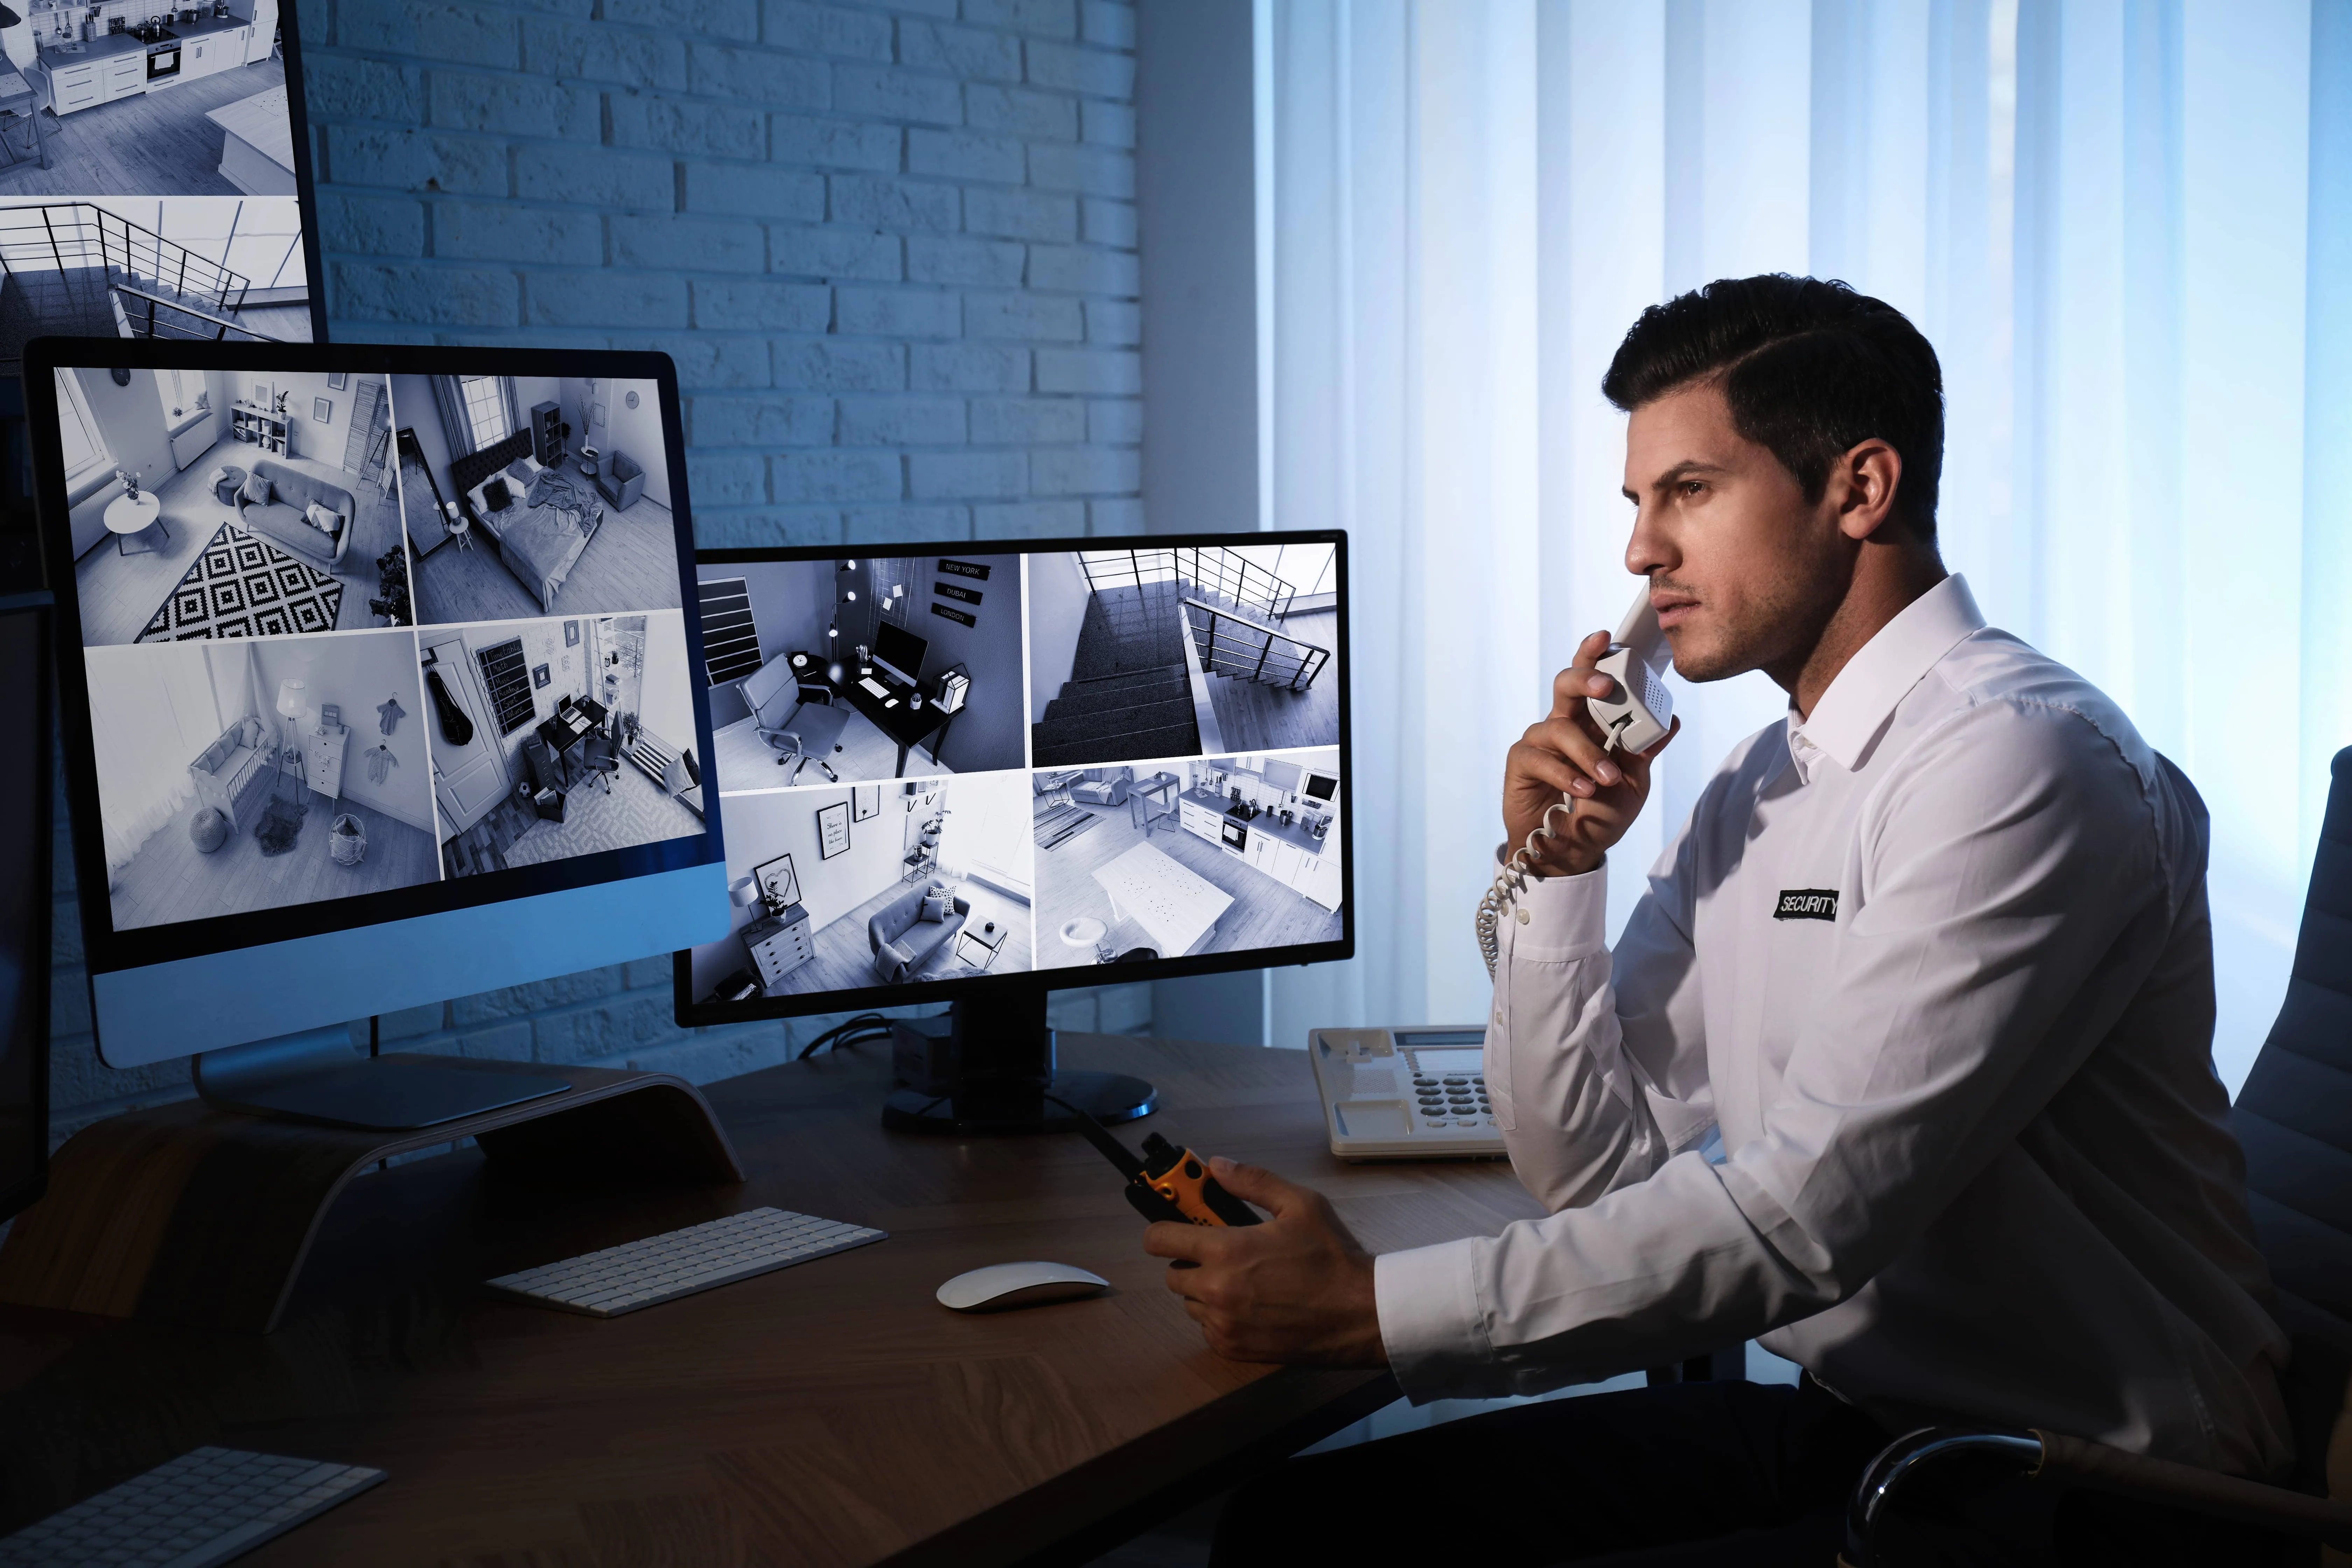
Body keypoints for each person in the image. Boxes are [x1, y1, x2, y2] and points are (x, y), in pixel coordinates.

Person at [1148, 276, 2293, 1565]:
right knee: (1308, 1525)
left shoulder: (2023, 764)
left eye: (1688, 492)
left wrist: (1376, 1311)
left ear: (1859, 490)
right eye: (1638, 505)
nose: (1641, 553)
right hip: (1862, 1430)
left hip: (2080, 1491)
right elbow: (1583, 1163)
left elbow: (1808, 1218)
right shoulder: (1763, 783)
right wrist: (1556, 870)